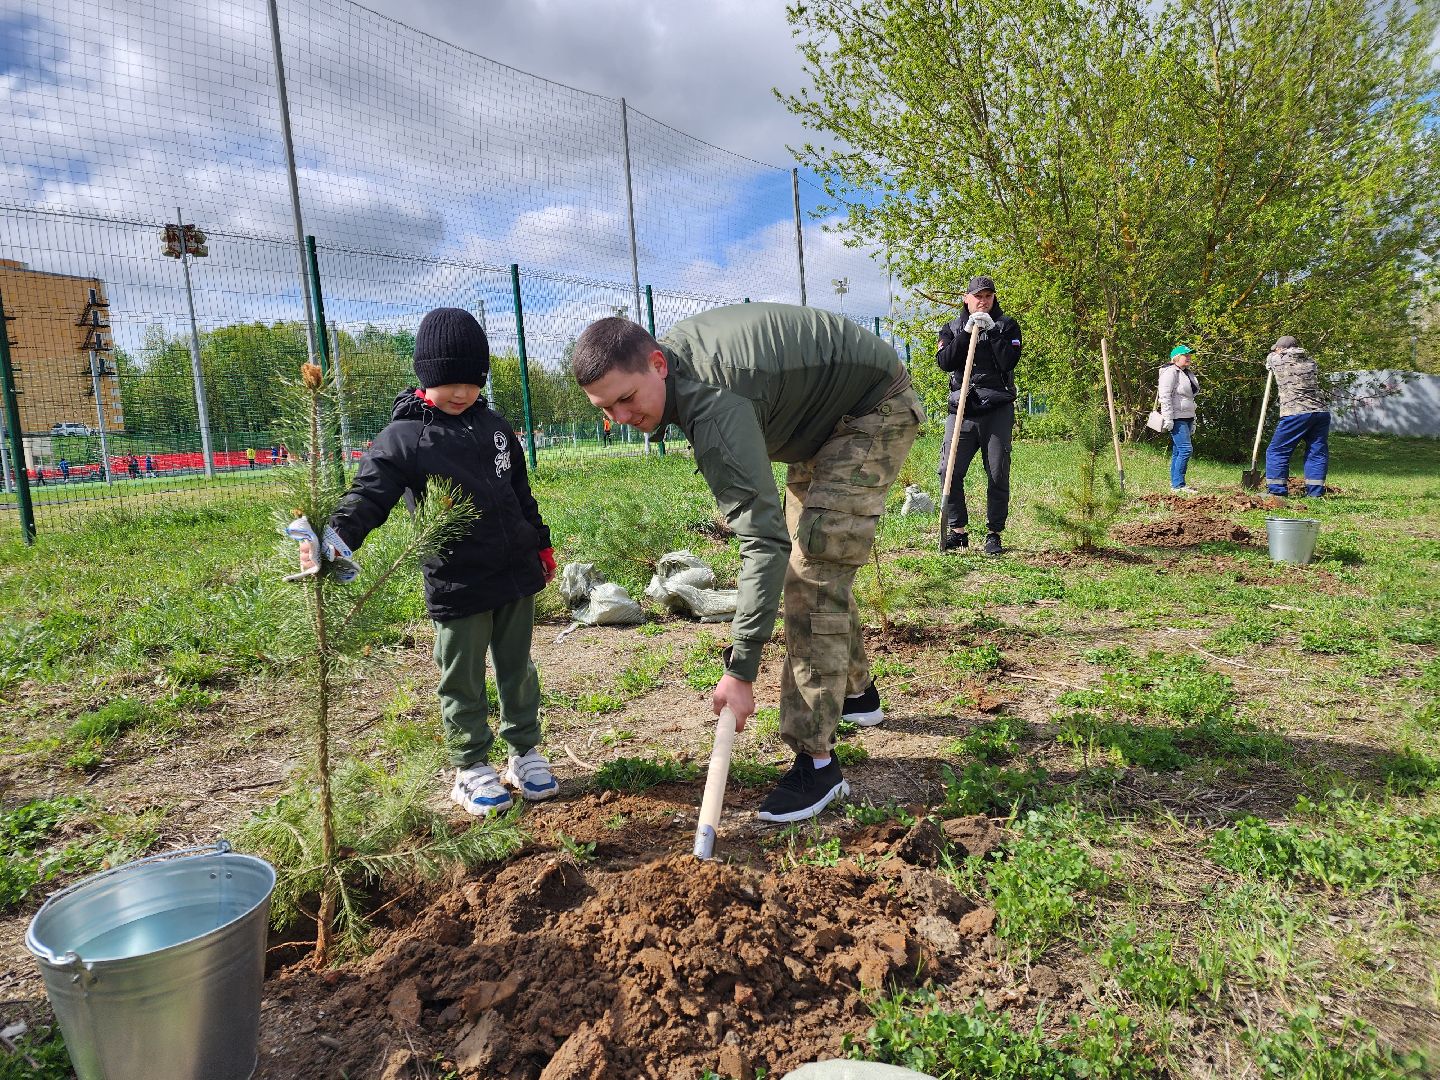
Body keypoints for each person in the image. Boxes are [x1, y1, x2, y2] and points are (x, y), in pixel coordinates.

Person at [573, 304, 923, 823]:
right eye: (607, 409)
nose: (622, 419)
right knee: (812, 558)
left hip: (872, 409)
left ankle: (818, 763)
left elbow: (764, 542)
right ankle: (858, 694)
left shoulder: (714, 401)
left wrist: (741, 670)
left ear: (658, 364)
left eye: (627, 399)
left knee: (813, 573)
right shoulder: (680, 375)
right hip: (825, 416)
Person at [294, 308, 559, 816]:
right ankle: (471, 767)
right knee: (460, 674)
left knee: (517, 669)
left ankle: (524, 751)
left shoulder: (498, 429)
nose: (460, 393)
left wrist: (540, 544)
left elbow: (521, 495)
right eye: (446, 383)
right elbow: (368, 495)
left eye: (471, 382)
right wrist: (335, 538)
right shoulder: (405, 438)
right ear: (423, 376)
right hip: (457, 582)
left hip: (514, 575)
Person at [936, 275, 1022, 556]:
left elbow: (1009, 361)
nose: (983, 301)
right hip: (962, 409)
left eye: (988, 296)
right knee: (948, 470)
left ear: (993, 298)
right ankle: (957, 531)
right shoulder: (951, 328)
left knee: (997, 472)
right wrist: (965, 334)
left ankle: (993, 533)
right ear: (967, 298)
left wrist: (993, 331)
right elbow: (945, 362)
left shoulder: (1007, 325)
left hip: (997, 408)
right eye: (978, 297)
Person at [1265, 335, 1330, 498]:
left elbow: (1270, 358)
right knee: (1316, 451)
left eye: (1277, 348)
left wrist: (1273, 356)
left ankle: (1276, 492)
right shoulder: (1311, 362)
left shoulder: (1278, 360)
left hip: (1296, 412)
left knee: (1277, 451)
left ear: (1281, 349)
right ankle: (1315, 493)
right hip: (1320, 411)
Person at [1158, 345, 1200, 494]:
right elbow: (1165, 396)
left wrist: (1193, 420)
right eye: (1185, 355)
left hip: (1187, 417)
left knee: (1177, 451)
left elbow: (1190, 398)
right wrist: (1168, 418)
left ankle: (1176, 484)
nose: (1189, 357)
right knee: (1185, 450)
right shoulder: (1170, 372)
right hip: (1177, 417)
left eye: (1189, 355)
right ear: (1176, 357)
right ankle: (1179, 485)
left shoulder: (1187, 373)